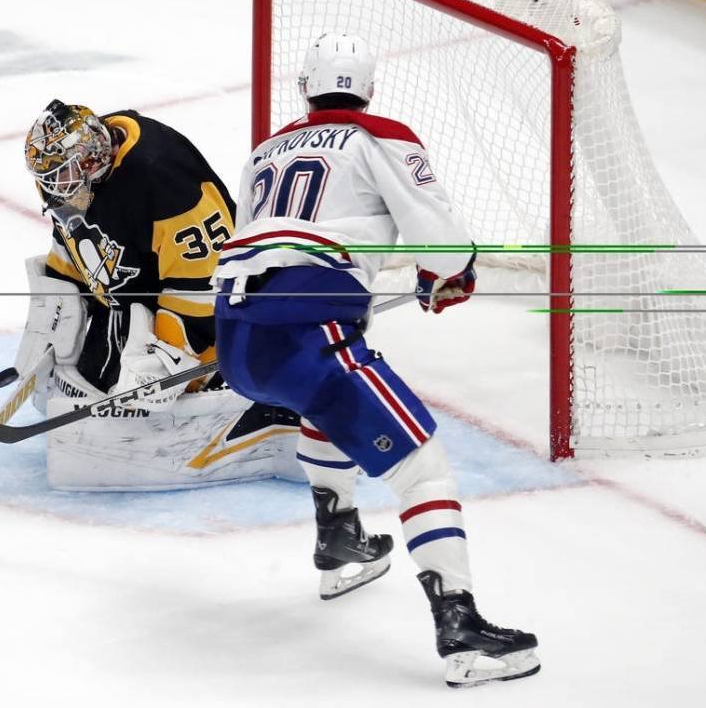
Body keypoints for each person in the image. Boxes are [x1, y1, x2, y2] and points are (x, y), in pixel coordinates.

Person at [212, 34, 539, 687]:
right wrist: (449, 272)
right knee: (424, 464)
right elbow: (440, 237)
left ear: (306, 87)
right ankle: (462, 629)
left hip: (236, 332)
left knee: (320, 399)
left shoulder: (265, 150)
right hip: (307, 324)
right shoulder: (377, 133)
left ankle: (339, 542)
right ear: (368, 88)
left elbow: (261, 242)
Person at [11, 99, 302, 490]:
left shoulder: (161, 173)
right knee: (82, 384)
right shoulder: (80, 179)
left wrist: (169, 352)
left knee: (149, 389)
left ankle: (222, 375)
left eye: (62, 176)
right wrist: (54, 320)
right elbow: (73, 252)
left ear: (92, 159)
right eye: (49, 178)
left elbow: (204, 277)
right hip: (131, 309)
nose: (54, 189)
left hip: (205, 316)